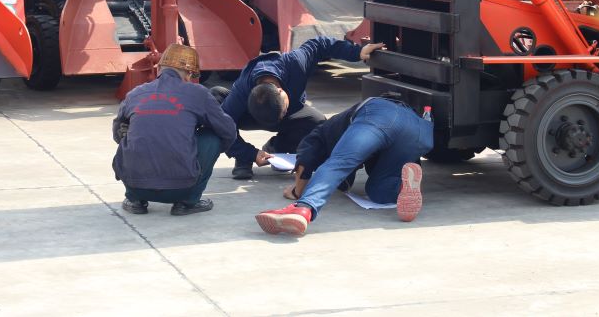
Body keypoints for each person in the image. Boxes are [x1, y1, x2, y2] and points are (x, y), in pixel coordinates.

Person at [255, 95, 434, 236]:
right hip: (420, 131)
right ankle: (404, 185)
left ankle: (303, 209)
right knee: (377, 191)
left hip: (379, 115)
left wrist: (296, 191)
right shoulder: (338, 129)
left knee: (338, 163)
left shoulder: (321, 132)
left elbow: (307, 159)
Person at [211, 36, 385, 180]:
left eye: (283, 110)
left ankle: (277, 147)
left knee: (317, 124)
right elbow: (223, 127)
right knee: (216, 101)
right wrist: (249, 152)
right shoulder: (242, 89)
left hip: (292, 112)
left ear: (281, 91)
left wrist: (356, 52)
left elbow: (320, 45)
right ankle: (243, 159)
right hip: (251, 116)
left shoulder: (295, 64)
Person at [112, 44, 237, 216]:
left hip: (135, 185)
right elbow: (228, 131)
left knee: (127, 131)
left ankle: (135, 200)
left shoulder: (135, 94)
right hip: (182, 188)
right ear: (188, 74)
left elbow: (117, 133)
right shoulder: (197, 93)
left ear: (160, 69)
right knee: (213, 136)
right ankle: (188, 202)